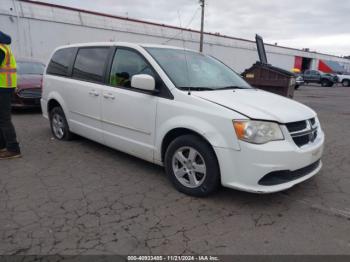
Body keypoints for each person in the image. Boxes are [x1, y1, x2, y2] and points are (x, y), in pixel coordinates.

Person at [0, 30, 21, 159]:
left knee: (4, 120)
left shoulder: (1, 50)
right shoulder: (4, 48)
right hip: (4, 87)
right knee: (1, 119)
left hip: (3, 89)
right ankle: (3, 146)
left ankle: (13, 149)